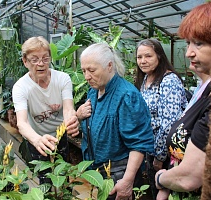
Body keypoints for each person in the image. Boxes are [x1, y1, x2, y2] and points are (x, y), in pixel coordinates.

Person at [154, 0, 211, 199]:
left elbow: (190, 176)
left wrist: (160, 179)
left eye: (198, 43)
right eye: (188, 43)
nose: (188, 52)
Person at [76, 42, 154, 200]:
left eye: (91, 70)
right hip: (99, 170)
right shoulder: (94, 91)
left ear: (109, 66)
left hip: (119, 174)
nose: (86, 76)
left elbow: (138, 144)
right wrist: (79, 118)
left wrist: (127, 181)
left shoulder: (126, 96)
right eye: (83, 70)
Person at [12, 36, 79, 184]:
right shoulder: (20, 87)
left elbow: (68, 108)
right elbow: (22, 123)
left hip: (60, 135)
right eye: (34, 59)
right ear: (25, 61)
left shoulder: (62, 79)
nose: (41, 64)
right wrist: (37, 140)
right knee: (45, 178)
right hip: (36, 137)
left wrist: (71, 120)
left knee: (63, 177)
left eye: (45, 58)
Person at [135, 38, 188, 199]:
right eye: (139, 57)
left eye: (148, 56)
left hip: (169, 152)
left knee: (166, 193)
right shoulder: (146, 78)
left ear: (159, 56)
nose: (143, 61)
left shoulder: (169, 80)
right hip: (151, 148)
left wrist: (159, 156)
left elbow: (169, 124)